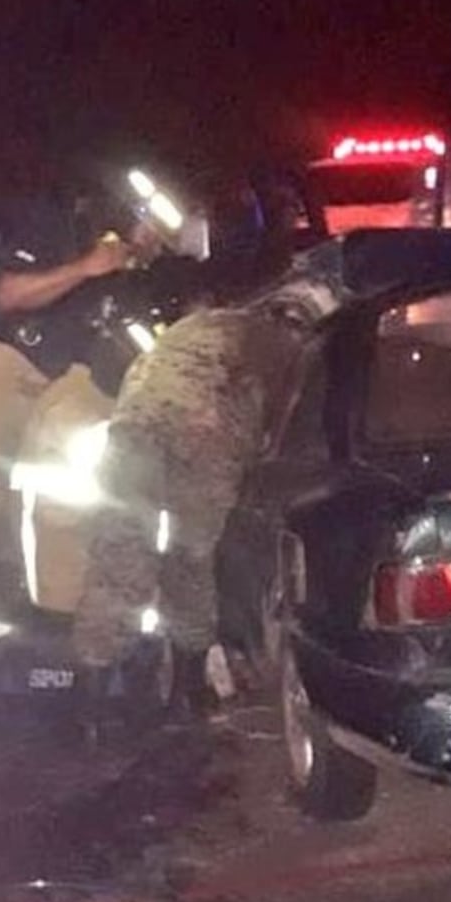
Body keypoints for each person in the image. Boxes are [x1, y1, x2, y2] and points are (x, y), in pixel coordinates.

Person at [72, 279, 307, 708]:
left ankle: (96, 699)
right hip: (204, 431)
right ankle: (187, 691)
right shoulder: (283, 348)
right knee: (191, 555)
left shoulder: (203, 325)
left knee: (119, 547)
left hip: (134, 417)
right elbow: (285, 425)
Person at [0, 183, 135, 636]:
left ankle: (56, 639)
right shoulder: (41, 218)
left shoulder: (94, 232)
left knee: (59, 511)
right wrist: (86, 267)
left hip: (54, 389)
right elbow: (6, 294)